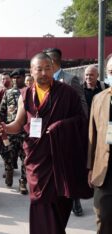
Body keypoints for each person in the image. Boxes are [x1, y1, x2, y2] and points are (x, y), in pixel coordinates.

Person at [0, 53, 92, 234]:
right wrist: (5, 127)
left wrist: (60, 126)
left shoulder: (67, 93)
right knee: (40, 201)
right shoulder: (25, 95)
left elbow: (81, 120)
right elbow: (18, 124)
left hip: (62, 157)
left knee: (61, 203)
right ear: (31, 71)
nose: (44, 73)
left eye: (48, 68)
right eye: (39, 69)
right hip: (37, 159)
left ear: (54, 68)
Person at [44, 47, 88, 216]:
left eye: (45, 63)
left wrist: (78, 127)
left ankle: (75, 201)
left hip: (66, 132)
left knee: (70, 167)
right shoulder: (42, 81)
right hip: (47, 135)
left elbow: (82, 106)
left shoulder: (70, 79)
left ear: (53, 62)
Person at [87, 55, 112, 234]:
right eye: (111, 71)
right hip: (105, 170)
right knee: (103, 217)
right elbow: (92, 136)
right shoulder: (99, 99)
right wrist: (90, 167)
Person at [0, 68, 27, 194]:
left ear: (23, 77)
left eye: (18, 77)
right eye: (13, 78)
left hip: (25, 132)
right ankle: (9, 171)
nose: (15, 80)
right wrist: (2, 126)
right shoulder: (8, 93)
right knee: (7, 155)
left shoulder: (29, 92)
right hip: (10, 131)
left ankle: (23, 182)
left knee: (25, 158)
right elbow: (1, 111)